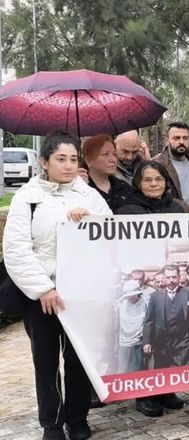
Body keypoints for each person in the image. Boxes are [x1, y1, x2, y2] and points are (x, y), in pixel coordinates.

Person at [3, 131, 111, 440]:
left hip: (81, 294)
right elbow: (17, 248)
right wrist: (42, 289)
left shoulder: (89, 195)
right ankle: (51, 422)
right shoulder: (28, 196)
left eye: (73, 159)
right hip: (42, 297)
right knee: (46, 361)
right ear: (44, 161)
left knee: (78, 360)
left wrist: (89, 219)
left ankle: (78, 418)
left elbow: (111, 233)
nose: (67, 166)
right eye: (60, 159)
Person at [141, 265, 189, 417]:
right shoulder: (156, 296)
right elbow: (149, 321)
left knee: (177, 369)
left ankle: (169, 394)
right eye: (168, 277)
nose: (171, 281)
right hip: (161, 340)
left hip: (183, 338)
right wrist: (147, 341)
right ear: (163, 278)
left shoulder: (188, 293)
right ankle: (157, 397)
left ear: (179, 277)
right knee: (160, 368)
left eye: (173, 277)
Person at [81, 134, 134, 212]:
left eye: (114, 154)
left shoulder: (124, 187)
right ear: (88, 160)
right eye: (105, 154)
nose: (112, 159)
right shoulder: (81, 188)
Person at [115, 160, 187, 215]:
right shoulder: (126, 212)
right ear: (139, 183)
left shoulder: (176, 209)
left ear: (165, 182)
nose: (154, 184)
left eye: (159, 179)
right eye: (147, 180)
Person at [118, 280, 146, 374]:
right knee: (123, 369)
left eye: (133, 295)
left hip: (138, 343)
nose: (131, 297)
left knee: (136, 370)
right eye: (129, 295)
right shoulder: (121, 305)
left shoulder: (145, 303)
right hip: (124, 342)